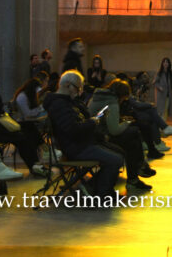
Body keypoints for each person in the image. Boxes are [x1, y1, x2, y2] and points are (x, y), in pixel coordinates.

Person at [43, 71, 123, 199]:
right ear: (68, 86)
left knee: (118, 154)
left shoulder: (67, 102)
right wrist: (92, 122)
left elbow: (77, 122)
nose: (79, 91)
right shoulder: (59, 104)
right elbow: (72, 129)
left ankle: (93, 187)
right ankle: (101, 194)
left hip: (81, 143)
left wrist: (91, 119)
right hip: (76, 147)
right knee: (115, 160)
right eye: (78, 87)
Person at [0, 72, 45, 177]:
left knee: (28, 126)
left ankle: (41, 152)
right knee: (22, 137)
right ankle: (35, 165)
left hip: (1, 124)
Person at [87, 78, 156, 191]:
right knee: (132, 137)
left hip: (94, 134)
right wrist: (126, 123)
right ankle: (137, 172)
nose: (124, 101)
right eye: (124, 98)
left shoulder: (98, 96)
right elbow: (114, 130)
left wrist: (121, 121)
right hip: (101, 138)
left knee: (132, 138)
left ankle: (138, 170)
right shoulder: (112, 103)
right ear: (121, 95)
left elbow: (103, 118)